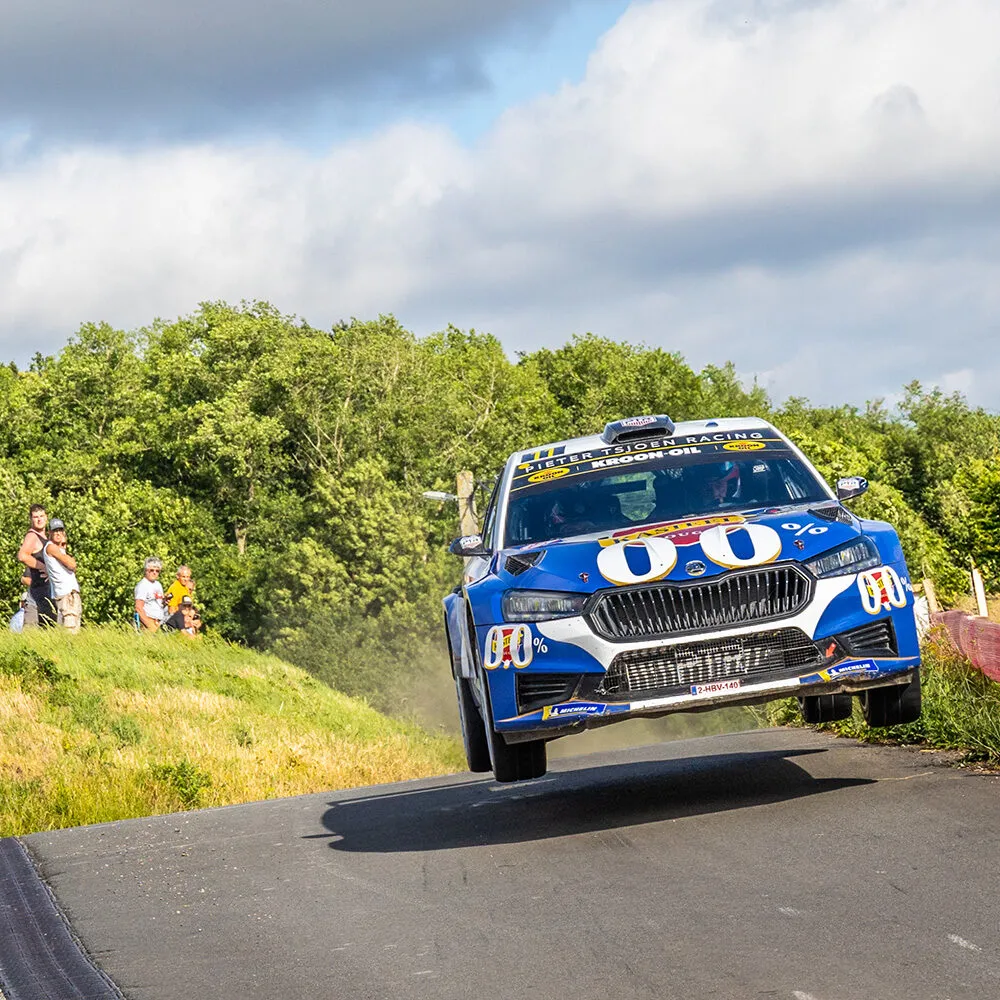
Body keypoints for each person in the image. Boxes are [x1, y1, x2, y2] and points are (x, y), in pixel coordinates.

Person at [16, 504, 55, 628]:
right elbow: (22, 555)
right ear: (31, 519)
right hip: (36, 597)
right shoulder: (32, 536)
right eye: (35, 517)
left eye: (41, 516)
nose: (39, 519)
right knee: (31, 638)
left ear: (46, 517)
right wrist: (43, 567)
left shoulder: (46, 538)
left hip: (47, 595)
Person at [41, 519, 82, 633]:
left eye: (60, 530)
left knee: (65, 631)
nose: (58, 533)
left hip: (66, 594)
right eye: (55, 531)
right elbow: (72, 564)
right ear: (49, 533)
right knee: (71, 633)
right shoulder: (51, 547)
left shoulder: (59, 549)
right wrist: (69, 559)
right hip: (67, 595)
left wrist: (63, 546)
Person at [134, 557, 169, 631]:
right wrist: (150, 625)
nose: (154, 572)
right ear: (146, 570)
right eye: (152, 570)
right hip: (148, 622)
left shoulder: (158, 584)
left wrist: (165, 602)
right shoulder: (143, 585)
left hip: (159, 622)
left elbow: (159, 604)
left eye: (157, 571)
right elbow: (138, 607)